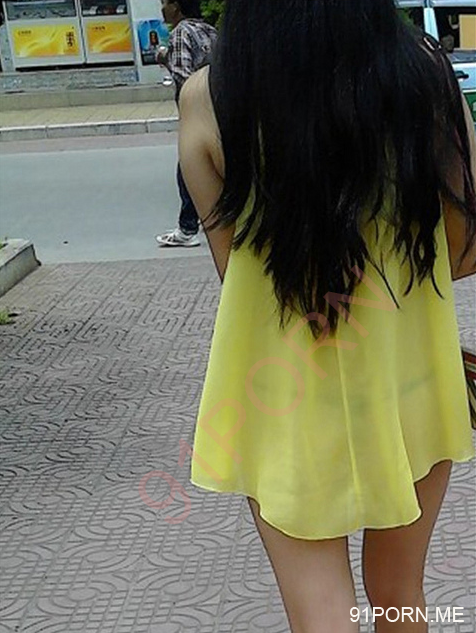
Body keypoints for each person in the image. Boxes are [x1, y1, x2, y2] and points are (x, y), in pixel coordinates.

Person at [178, 1, 476, 632]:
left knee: (322, 614)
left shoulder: (209, 98)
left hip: (281, 396)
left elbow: (236, 272)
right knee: (399, 593)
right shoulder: (424, 78)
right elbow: (464, 247)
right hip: (408, 380)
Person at [155, 0, 217, 248]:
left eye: (166, 2)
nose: (163, 9)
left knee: (188, 168)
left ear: (177, 7)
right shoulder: (209, 30)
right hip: (218, 108)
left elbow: (184, 75)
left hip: (198, 113)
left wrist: (166, 58)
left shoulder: (180, 32)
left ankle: (187, 228)